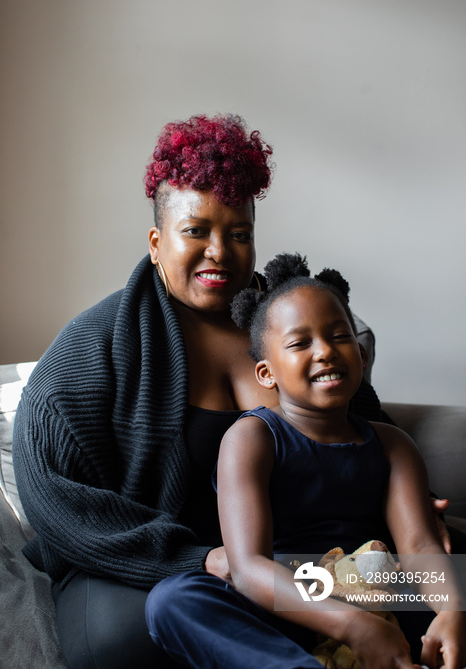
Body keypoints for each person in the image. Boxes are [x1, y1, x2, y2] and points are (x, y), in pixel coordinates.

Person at [12, 114, 449, 669]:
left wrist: (414, 514)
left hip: (303, 566)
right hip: (153, 571)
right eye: (195, 231)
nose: (219, 251)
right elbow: (56, 500)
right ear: (156, 241)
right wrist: (198, 559)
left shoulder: (290, 321)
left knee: (448, 589)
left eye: (238, 234)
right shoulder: (90, 352)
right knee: (139, 635)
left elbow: (362, 424)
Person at [146, 253, 466, 669]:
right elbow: (248, 567)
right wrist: (349, 624)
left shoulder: (392, 444)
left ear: (362, 356)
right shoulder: (251, 438)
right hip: (288, 600)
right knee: (172, 601)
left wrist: (451, 611)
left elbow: (420, 545)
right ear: (266, 373)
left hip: (376, 591)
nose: (326, 352)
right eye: (300, 343)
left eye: (340, 337)